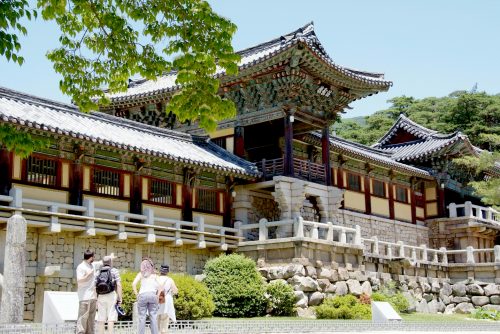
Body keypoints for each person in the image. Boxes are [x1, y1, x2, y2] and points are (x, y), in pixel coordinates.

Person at [76, 250, 104, 334]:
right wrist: (88, 275)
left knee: (91, 319)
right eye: (93, 257)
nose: (94, 258)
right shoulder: (81, 267)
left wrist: (111, 257)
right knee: (82, 318)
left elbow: (101, 262)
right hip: (84, 297)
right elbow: (79, 281)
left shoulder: (93, 265)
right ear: (91, 257)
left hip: (92, 297)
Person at [132, 258, 160, 334]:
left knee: (142, 317)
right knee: (153, 317)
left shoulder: (140, 274)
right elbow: (161, 286)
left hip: (142, 295)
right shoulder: (155, 275)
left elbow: (134, 284)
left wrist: (136, 294)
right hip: (152, 295)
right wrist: (157, 295)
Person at [96, 256, 122, 334]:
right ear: (110, 262)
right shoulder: (114, 271)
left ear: (103, 263)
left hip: (100, 296)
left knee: (101, 318)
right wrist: (120, 298)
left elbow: (94, 286)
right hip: (111, 295)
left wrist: (96, 299)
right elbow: (119, 284)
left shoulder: (98, 272)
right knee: (111, 317)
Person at [157, 265, 178, 333]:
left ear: (160, 271)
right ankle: (163, 331)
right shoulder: (170, 279)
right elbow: (175, 291)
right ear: (167, 272)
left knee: (157, 318)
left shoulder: (156, 279)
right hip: (166, 300)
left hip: (157, 300)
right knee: (165, 319)